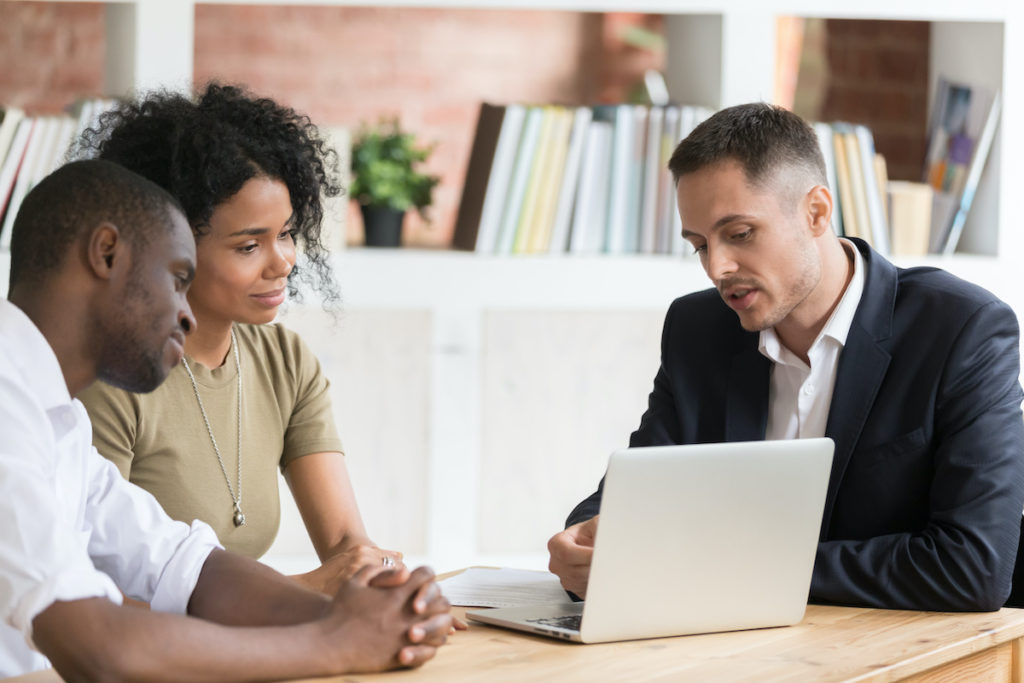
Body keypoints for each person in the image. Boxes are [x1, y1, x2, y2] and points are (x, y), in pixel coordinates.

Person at [548, 102, 1024, 612]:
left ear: (816, 212)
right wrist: (583, 541)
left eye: (739, 235)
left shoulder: (959, 329)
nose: (717, 268)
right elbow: (634, 493)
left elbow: (972, 567)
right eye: (699, 245)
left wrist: (723, 565)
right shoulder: (699, 330)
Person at [0, 159, 451, 679]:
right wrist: (337, 641)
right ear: (106, 254)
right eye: (176, 280)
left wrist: (381, 619)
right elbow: (102, 651)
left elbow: (187, 567)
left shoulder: (59, 421)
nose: (186, 314)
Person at [74, 83, 399, 595]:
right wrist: (306, 590)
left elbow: (345, 545)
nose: (284, 261)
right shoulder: (111, 381)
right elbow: (88, 604)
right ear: (169, 245)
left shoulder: (286, 362)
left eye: (287, 234)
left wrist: (386, 584)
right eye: (250, 245)